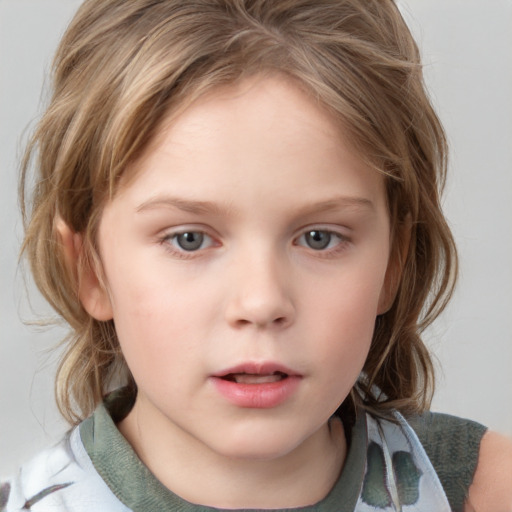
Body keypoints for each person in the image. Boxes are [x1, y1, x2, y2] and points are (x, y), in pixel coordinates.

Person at [1, 0, 511, 510]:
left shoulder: (487, 491)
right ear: (89, 269)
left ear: (393, 262)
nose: (262, 301)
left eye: (319, 237)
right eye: (189, 239)